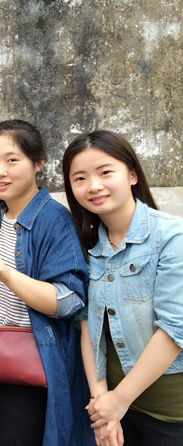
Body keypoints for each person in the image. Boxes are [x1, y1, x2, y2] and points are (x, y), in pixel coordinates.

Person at [63, 130, 183, 446]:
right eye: (80, 178)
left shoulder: (171, 236)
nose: (93, 186)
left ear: (132, 174)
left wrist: (119, 400)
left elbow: (175, 329)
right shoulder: (88, 248)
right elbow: (87, 328)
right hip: (118, 412)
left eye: (105, 172)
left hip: (171, 414)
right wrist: (102, 404)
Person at [0, 119, 91, 446]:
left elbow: (69, 300)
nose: (0, 171)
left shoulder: (53, 219)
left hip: (33, 362)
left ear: (38, 163)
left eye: (12, 160)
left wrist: (8, 275)